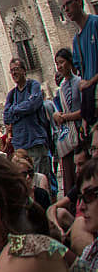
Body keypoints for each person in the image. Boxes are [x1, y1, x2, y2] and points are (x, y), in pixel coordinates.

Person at [4, 57, 55, 189]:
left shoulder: (34, 86)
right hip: (20, 145)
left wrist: (15, 110)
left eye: (16, 69)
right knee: (25, 183)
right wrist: (21, 110)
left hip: (35, 140)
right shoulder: (11, 94)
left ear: (24, 70)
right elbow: (6, 116)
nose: (14, 73)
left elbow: (33, 105)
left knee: (41, 179)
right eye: (11, 71)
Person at [63, 0, 98, 130]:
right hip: (92, 101)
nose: (66, 9)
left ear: (79, 1)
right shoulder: (76, 40)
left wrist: (90, 82)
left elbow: (87, 81)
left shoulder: (95, 23)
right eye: (63, 6)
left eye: (69, 4)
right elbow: (81, 75)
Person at [53, 47, 84, 201]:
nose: (59, 67)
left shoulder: (79, 82)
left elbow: (84, 110)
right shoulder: (61, 88)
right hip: (70, 134)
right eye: (57, 64)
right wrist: (57, 115)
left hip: (82, 131)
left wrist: (65, 117)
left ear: (69, 62)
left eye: (61, 62)